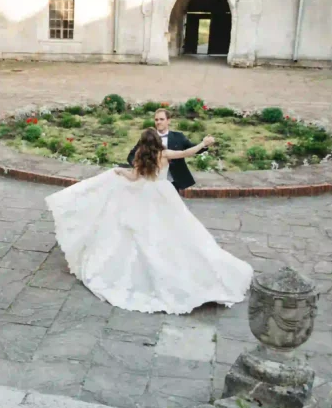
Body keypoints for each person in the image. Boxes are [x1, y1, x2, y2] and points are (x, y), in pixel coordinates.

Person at [46, 128, 253, 315]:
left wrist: (120, 171)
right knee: (178, 230)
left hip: (144, 194)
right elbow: (186, 153)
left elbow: (134, 178)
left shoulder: (140, 156)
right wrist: (203, 144)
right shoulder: (165, 154)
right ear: (157, 141)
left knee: (141, 232)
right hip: (163, 194)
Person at [127, 108, 204, 195]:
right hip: (151, 181)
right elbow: (131, 156)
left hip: (173, 180)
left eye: (161, 119)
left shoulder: (178, 137)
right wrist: (141, 167)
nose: (158, 122)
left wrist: (204, 145)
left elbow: (190, 150)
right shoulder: (148, 138)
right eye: (156, 120)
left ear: (168, 121)